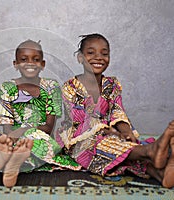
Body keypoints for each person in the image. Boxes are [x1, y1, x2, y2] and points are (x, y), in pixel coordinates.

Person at [56, 33, 174, 188]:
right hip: (79, 139)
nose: (99, 58)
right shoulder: (71, 87)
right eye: (91, 53)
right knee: (100, 148)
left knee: (124, 144)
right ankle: (150, 152)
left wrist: (125, 132)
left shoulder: (111, 85)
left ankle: (157, 172)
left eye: (104, 54)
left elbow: (117, 111)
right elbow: (78, 120)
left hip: (110, 133)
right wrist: (109, 131)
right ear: (80, 58)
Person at [0, 39, 78, 188]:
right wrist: (15, 137)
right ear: (15, 64)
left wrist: (23, 130)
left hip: (40, 137)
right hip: (14, 139)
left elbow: (48, 128)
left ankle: (12, 161)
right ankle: (10, 157)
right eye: (24, 59)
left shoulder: (51, 87)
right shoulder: (7, 87)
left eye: (36, 59)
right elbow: (7, 130)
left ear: (43, 64)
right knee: (17, 146)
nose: (30, 63)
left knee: (40, 145)